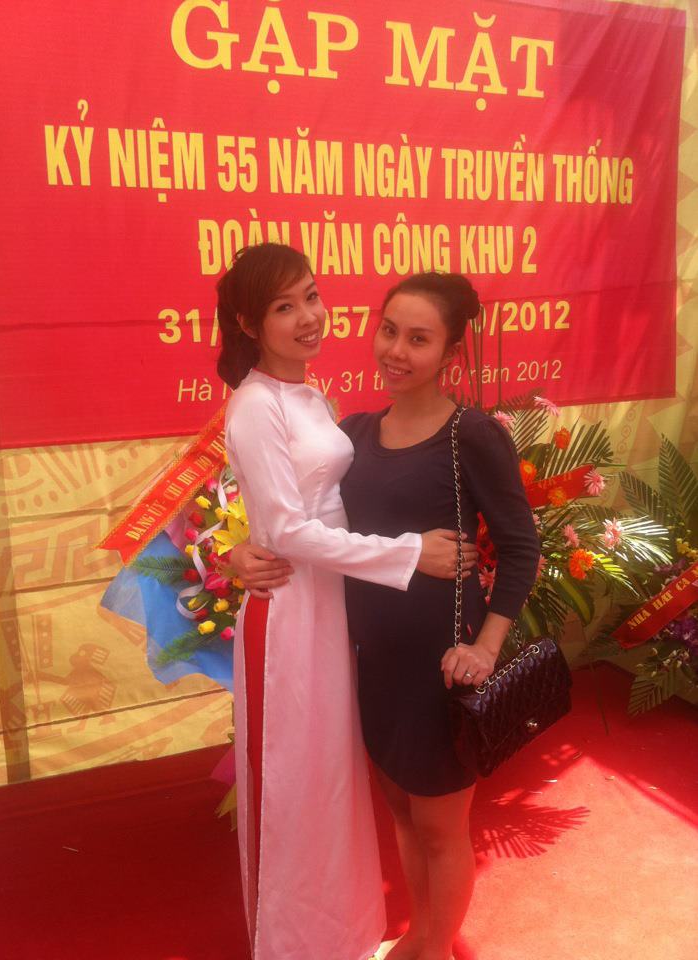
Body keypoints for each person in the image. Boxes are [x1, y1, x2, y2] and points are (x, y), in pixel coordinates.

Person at [236, 270, 540, 960]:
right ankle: (419, 934)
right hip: (368, 664)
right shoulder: (355, 433)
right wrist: (241, 551)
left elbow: (522, 548)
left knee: (441, 827)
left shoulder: (471, 436)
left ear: (451, 352)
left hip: (440, 665)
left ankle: (436, 947)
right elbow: (301, 520)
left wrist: (486, 647)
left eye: (419, 339)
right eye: (389, 331)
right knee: (402, 813)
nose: (396, 351)